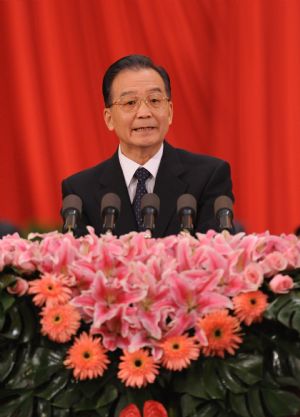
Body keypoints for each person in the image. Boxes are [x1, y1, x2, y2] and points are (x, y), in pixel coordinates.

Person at [61, 54, 234, 237]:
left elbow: (215, 253)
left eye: (154, 100)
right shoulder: (80, 191)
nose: (144, 113)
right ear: (109, 119)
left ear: (170, 112)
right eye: (130, 103)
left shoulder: (209, 176)